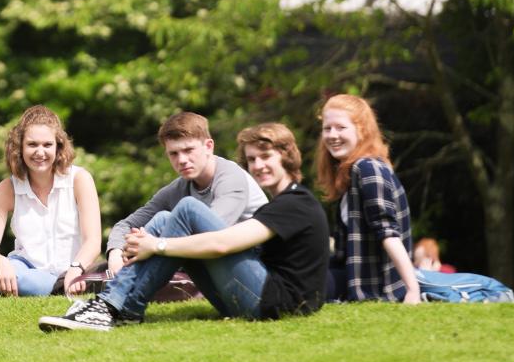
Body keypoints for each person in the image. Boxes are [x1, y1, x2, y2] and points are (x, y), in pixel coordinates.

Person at [39, 122, 329, 331]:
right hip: (251, 295)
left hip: (272, 303)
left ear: (287, 157)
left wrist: (156, 245)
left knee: (187, 210)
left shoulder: (296, 203)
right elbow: (136, 222)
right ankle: (118, 306)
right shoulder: (280, 203)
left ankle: (114, 305)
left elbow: (220, 243)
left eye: (266, 157)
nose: (258, 166)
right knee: (168, 218)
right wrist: (122, 247)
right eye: (252, 159)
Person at [0, 105, 102, 296]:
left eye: (47, 145)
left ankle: (52, 287)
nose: (40, 152)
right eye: (32, 144)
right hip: (23, 268)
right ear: (19, 148)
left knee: (40, 285)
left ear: (58, 147)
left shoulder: (80, 179)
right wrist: (2, 263)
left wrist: (76, 268)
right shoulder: (6, 189)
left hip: (72, 271)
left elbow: (93, 242)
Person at [103, 111, 268, 279]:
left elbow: (212, 236)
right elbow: (126, 225)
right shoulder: (177, 188)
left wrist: (153, 244)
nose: (181, 160)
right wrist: (116, 254)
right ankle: (119, 284)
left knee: (164, 220)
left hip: (256, 273)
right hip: (217, 266)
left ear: (209, 146)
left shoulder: (231, 178)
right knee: (162, 220)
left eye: (189, 150)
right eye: (173, 153)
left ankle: (118, 291)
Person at [316, 94, 420, 303]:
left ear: (361, 130)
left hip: (376, 286)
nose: (332, 135)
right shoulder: (349, 174)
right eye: (327, 128)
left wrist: (412, 290)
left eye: (341, 127)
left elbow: (388, 233)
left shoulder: (367, 168)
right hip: (349, 275)